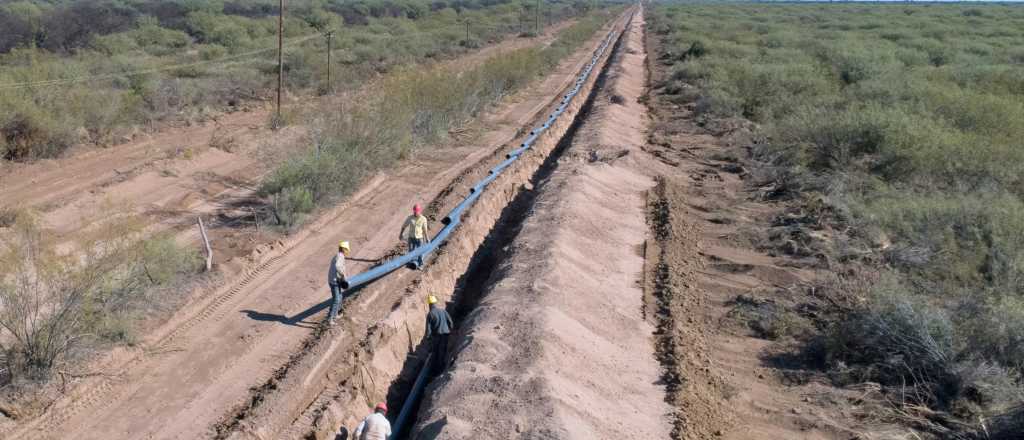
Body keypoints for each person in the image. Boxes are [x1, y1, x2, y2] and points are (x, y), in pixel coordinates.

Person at [425, 294, 453, 375]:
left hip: (437, 336)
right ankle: (441, 367)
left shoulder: (430, 314)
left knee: (436, 352)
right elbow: (450, 322)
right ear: (435, 303)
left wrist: (428, 340)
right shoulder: (443, 311)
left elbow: (428, 330)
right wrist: (451, 330)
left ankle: (437, 371)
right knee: (443, 350)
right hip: (446, 334)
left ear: (429, 304)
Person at [326, 241, 350, 327]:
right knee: (336, 299)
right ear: (344, 249)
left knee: (340, 297)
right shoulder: (340, 256)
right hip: (334, 282)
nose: (347, 251)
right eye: (346, 249)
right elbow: (338, 266)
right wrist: (343, 274)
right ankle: (330, 319)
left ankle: (335, 314)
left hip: (335, 280)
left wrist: (343, 278)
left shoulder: (338, 255)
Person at [399, 204, 429, 270]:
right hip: (411, 238)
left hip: (419, 238)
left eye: (416, 211)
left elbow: (425, 230)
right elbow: (404, 226)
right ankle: (411, 263)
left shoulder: (423, 219)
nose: (415, 212)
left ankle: (420, 264)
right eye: (414, 211)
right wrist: (401, 234)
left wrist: (427, 238)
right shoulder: (410, 218)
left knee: (420, 252)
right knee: (411, 251)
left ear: (419, 211)